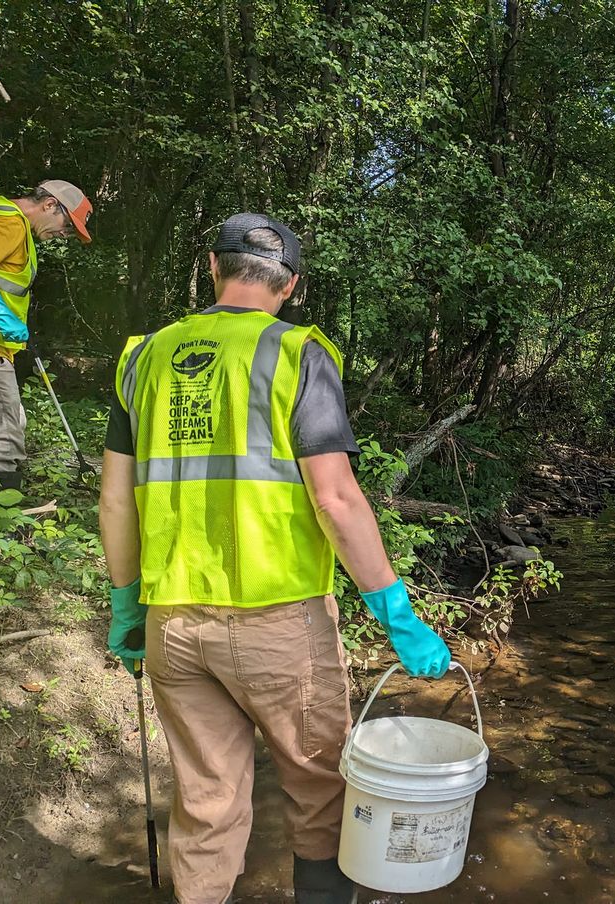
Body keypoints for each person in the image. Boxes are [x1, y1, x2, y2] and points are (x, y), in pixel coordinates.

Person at [98, 213, 451, 904]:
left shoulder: (142, 356)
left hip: (173, 620)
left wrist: (124, 606)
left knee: (205, 801)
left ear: (212, 267)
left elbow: (115, 503)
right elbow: (337, 498)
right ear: (291, 285)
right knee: (320, 796)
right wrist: (397, 613)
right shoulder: (296, 353)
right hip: (279, 621)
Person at [0, 181, 93, 490]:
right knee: (2, 442)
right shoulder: (10, 223)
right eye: (67, 226)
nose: (64, 235)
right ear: (49, 205)